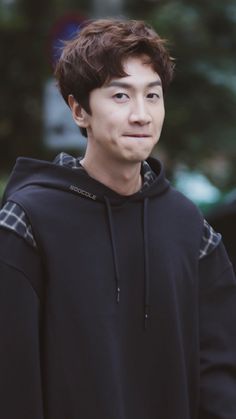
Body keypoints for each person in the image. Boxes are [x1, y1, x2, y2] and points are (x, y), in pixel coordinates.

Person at [0, 18, 236, 419]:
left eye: (153, 96)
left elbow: (219, 371)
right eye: (121, 96)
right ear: (79, 110)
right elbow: (11, 378)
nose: (142, 115)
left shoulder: (189, 227)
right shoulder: (27, 222)